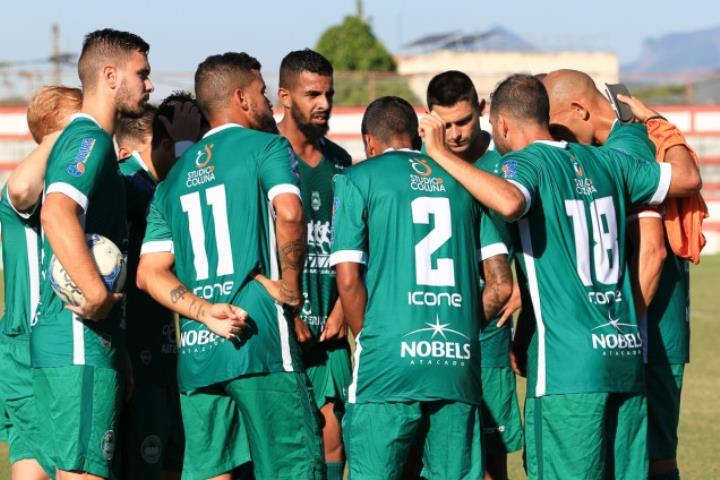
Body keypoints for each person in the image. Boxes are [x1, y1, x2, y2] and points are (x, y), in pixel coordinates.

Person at [420, 74, 701, 479]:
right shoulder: (607, 161)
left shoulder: (524, 162)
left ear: (500, 126)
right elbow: (688, 177)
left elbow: (510, 200)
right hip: (622, 356)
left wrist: (440, 153)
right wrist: (662, 126)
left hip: (568, 369)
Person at [136, 52, 324, 480]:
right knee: (292, 467)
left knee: (211, 473)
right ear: (240, 97)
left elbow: (149, 274)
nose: (268, 104)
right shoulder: (267, 146)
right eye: (261, 93)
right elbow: (291, 214)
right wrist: (291, 288)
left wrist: (203, 312)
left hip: (201, 348)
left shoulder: (174, 178)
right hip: (258, 337)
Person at [332, 96, 511, 480]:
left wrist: (372, 337)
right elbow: (500, 284)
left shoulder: (356, 178)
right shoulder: (464, 180)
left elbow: (348, 278)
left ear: (369, 141)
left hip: (387, 361)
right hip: (455, 361)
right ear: (417, 135)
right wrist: (461, 327)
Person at [542, 69, 703, 480]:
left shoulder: (625, 148)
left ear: (579, 109)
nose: (553, 136)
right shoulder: (626, 140)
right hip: (652, 326)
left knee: (647, 458)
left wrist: (621, 329)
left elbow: (651, 252)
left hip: (645, 331)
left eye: (555, 123)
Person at [32, 29, 153, 480]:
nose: (149, 84)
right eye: (141, 73)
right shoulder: (90, 139)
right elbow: (57, 211)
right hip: (79, 340)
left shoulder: (93, 141)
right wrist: (97, 298)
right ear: (110, 75)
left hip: (81, 344)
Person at [426, 71, 521, 480]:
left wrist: (527, 292)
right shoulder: (422, 162)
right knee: (437, 453)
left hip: (490, 332)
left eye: (463, 121)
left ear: (480, 110)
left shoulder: (507, 163)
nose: (456, 134)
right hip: (434, 328)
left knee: (490, 454)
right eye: (444, 124)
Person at [114, 92, 203, 480]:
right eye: (193, 147)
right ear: (166, 144)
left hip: (165, 352)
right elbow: (186, 208)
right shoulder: (130, 181)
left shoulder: (151, 185)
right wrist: (187, 150)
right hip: (138, 352)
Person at [276, 49, 352, 480]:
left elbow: (356, 246)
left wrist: (344, 305)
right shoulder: (266, 157)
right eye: (312, 94)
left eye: (329, 93)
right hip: (283, 324)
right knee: (288, 438)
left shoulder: (342, 163)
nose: (324, 103)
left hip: (332, 326)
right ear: (285, 96)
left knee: (333, 434)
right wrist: (288, 309)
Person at [0, 85, 81, 480]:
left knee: (30, 463)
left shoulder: (73, 188)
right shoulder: (33, 189)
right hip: (29, 349)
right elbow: (18, 190)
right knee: (70, 464)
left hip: (56, 348)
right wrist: (60, 137)